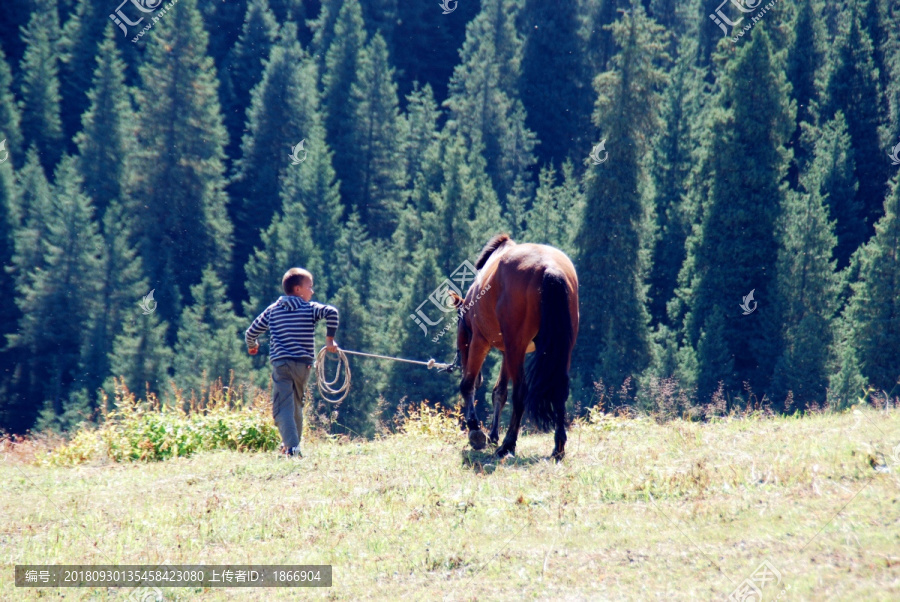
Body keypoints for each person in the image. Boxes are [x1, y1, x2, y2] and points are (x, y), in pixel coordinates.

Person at [245, 268, 339, 457]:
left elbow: (250, 332)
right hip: (303, 365)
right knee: (296, 404)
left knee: (282, 407)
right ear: (298, 289)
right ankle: (291, 445)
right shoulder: (310, 308)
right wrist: (329, 339)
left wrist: (252, 345)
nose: (312, 292)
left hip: (282, 365)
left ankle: (292, 447)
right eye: (309, 287)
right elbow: (332, 312)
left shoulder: (272, 310)